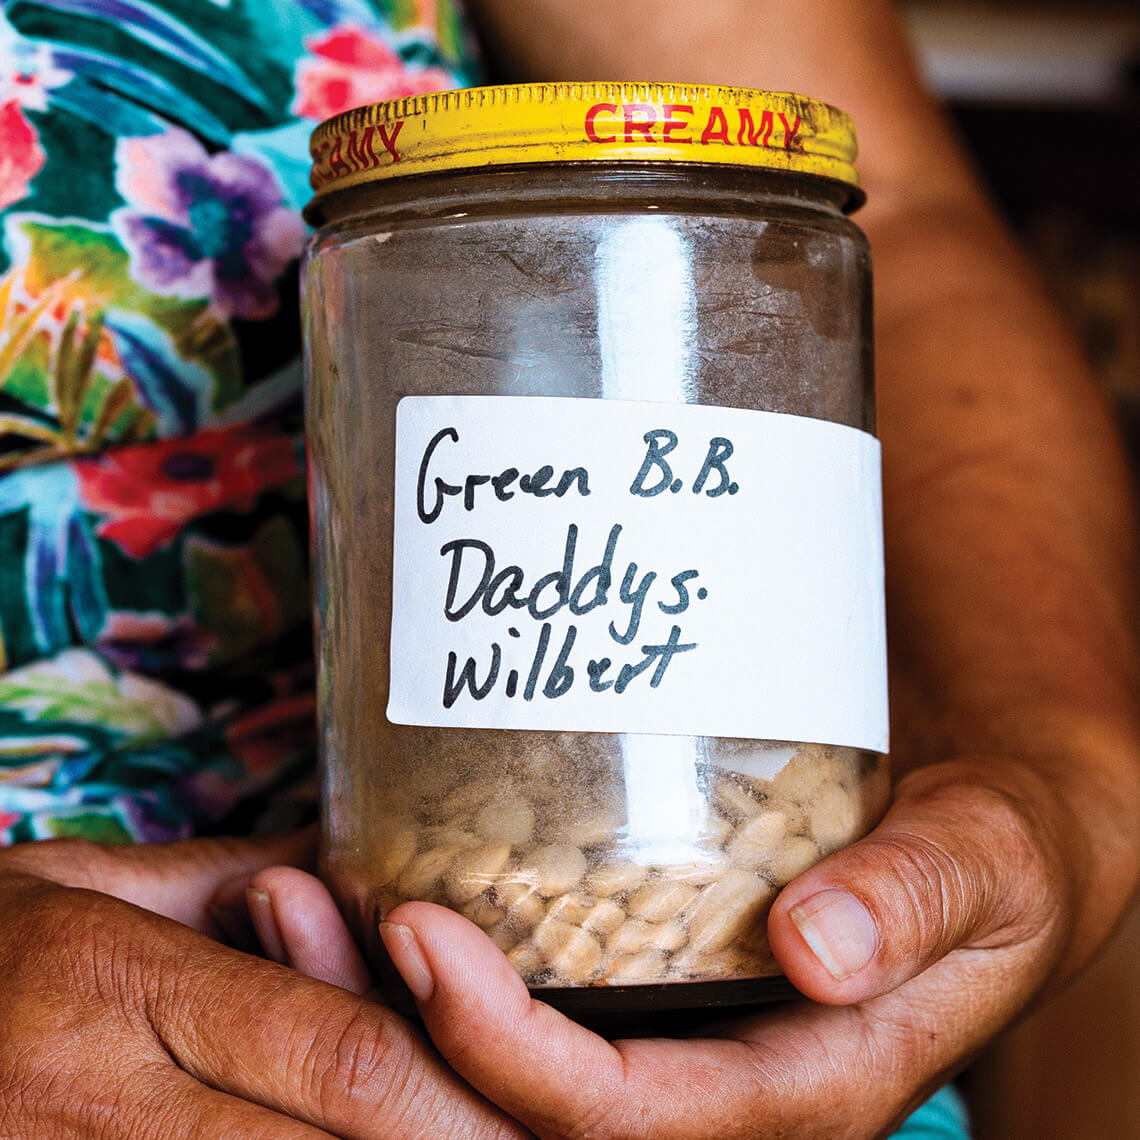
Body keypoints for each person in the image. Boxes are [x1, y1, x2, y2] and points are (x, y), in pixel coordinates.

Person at [0, 1, 1135, 1138]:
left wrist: (1064, 785)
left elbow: (914, 216)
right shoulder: (370, 256)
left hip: (787, 1043)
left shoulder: (784, 237)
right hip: (228, 964)